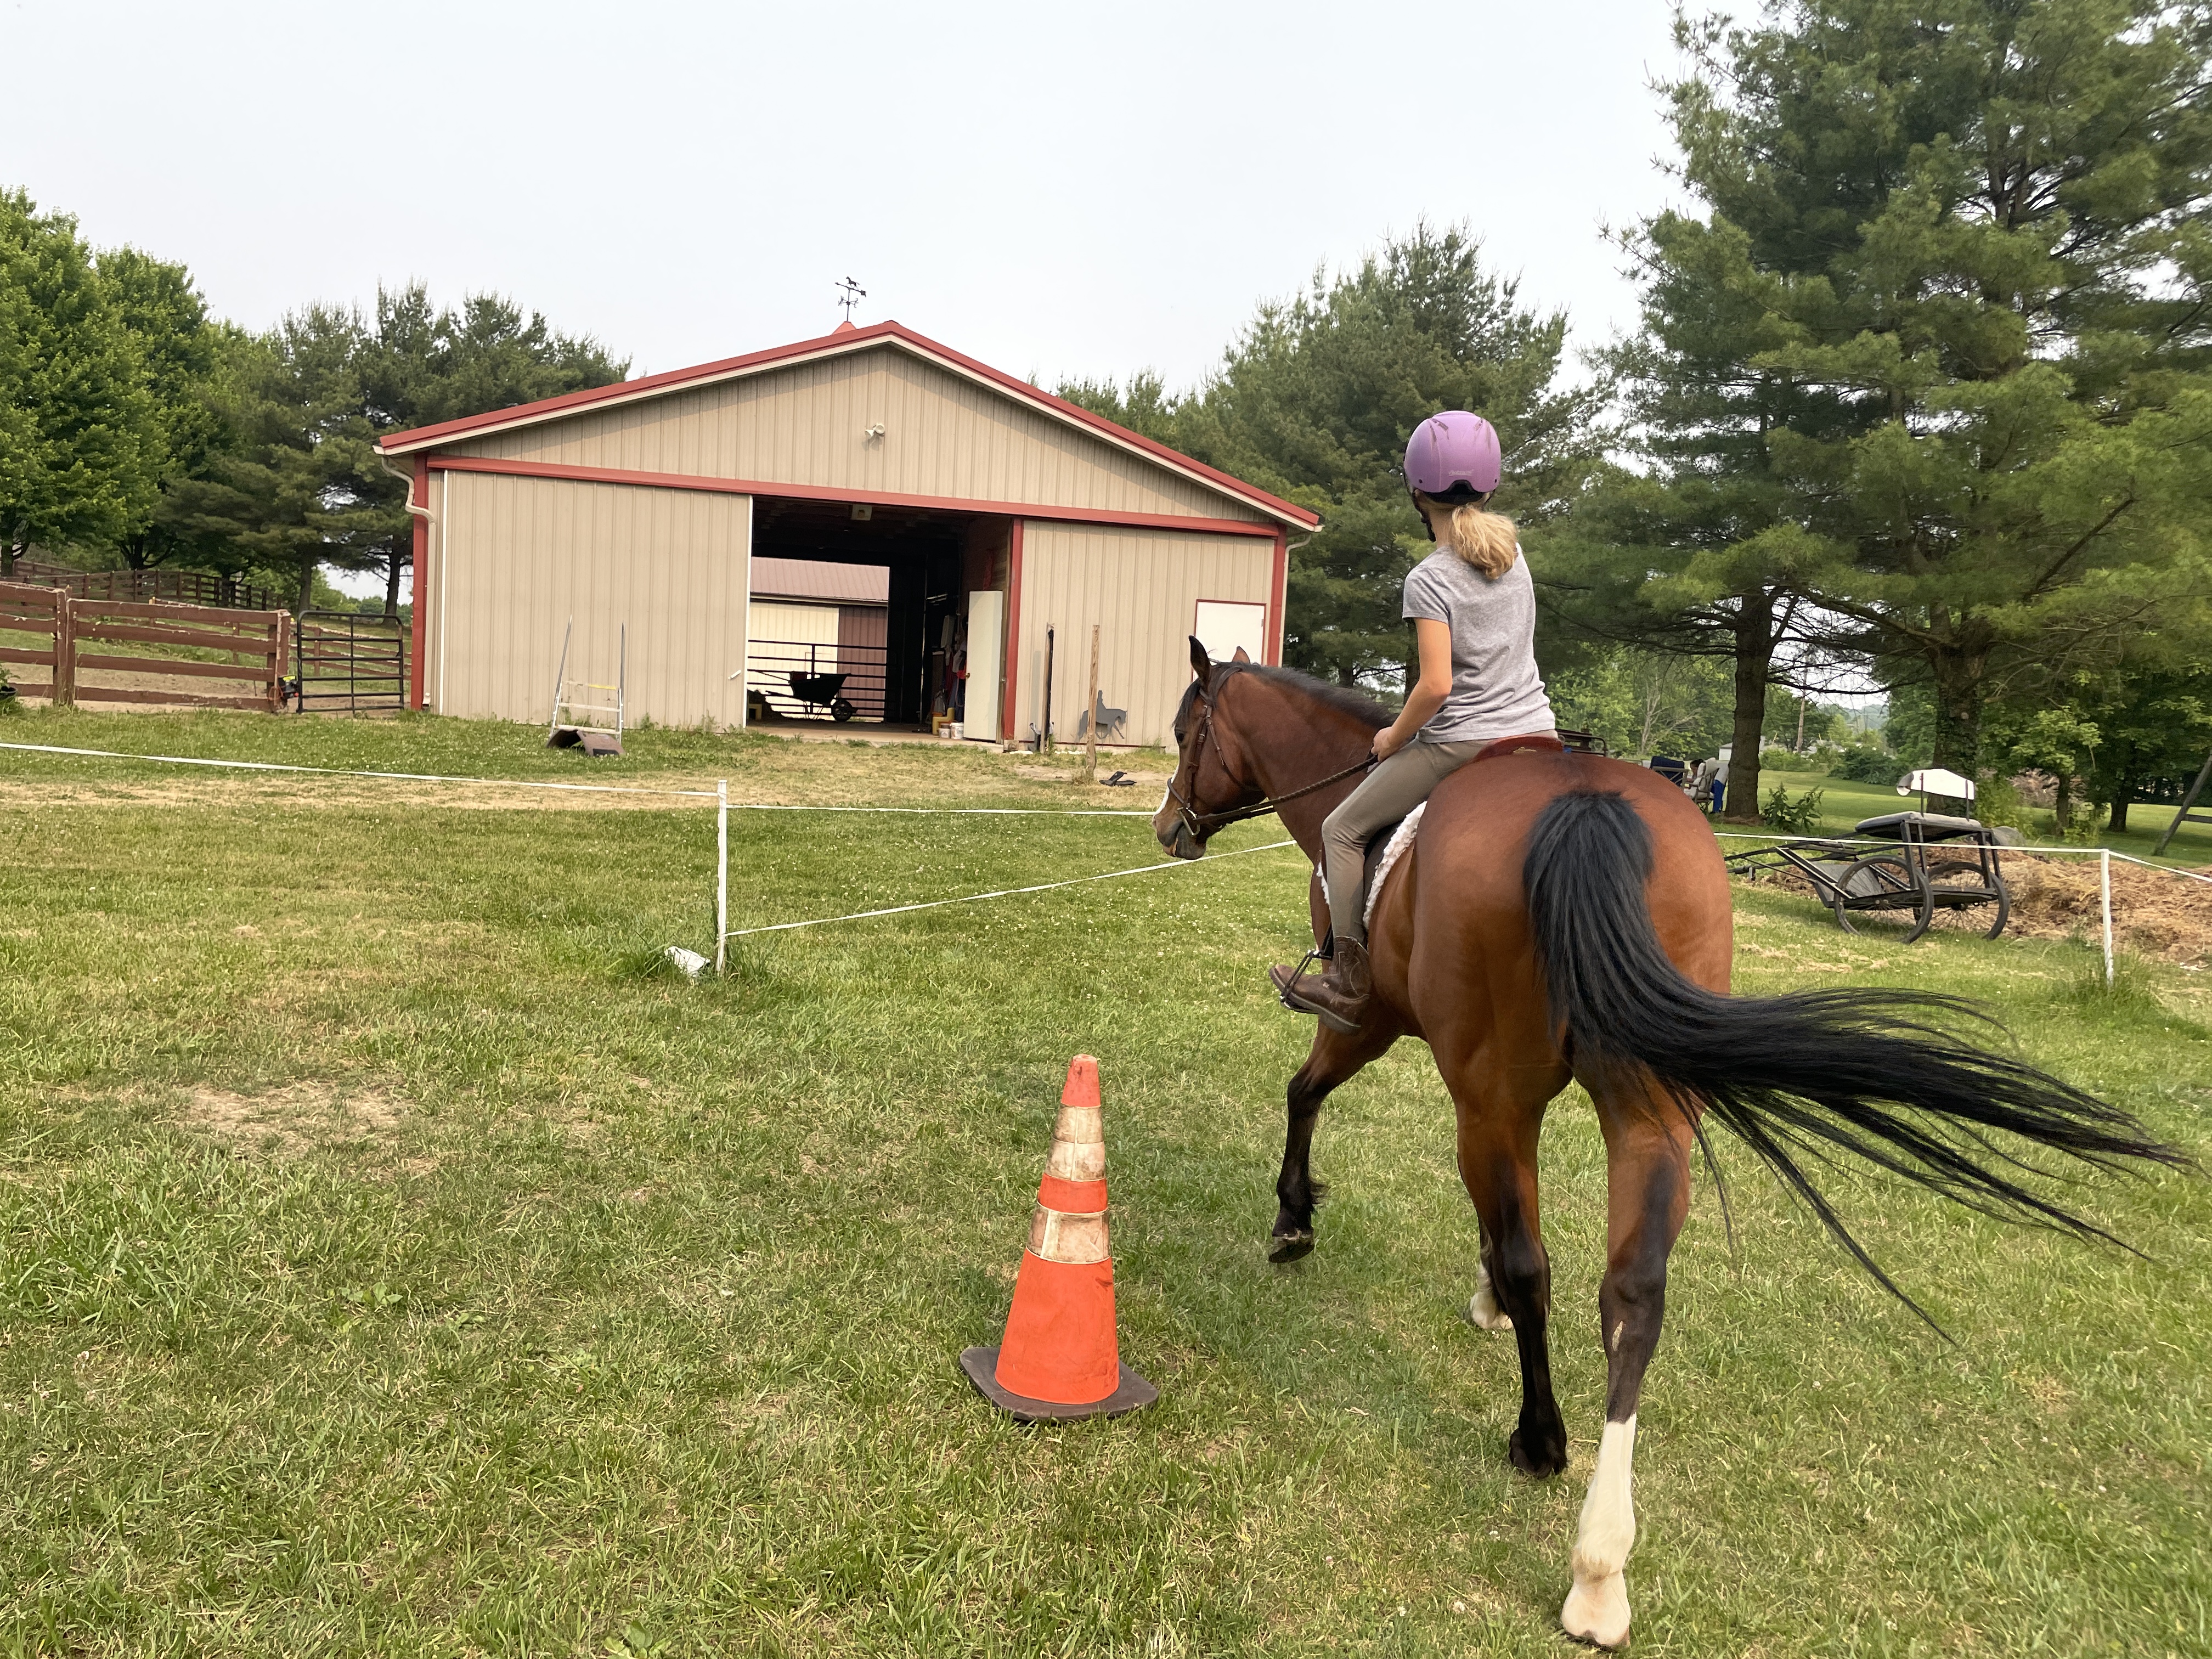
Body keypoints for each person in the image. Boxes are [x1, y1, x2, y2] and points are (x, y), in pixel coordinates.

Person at [1269, 411, 1558, 1033]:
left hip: (1464, 742)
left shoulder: (1429, 578)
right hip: (1538, 736)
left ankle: (1346, 981)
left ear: (1417, 491)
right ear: (1489, 485)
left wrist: (1392, 737)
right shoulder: (1515, 555)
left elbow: (1435, 686)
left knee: (1341, 829)